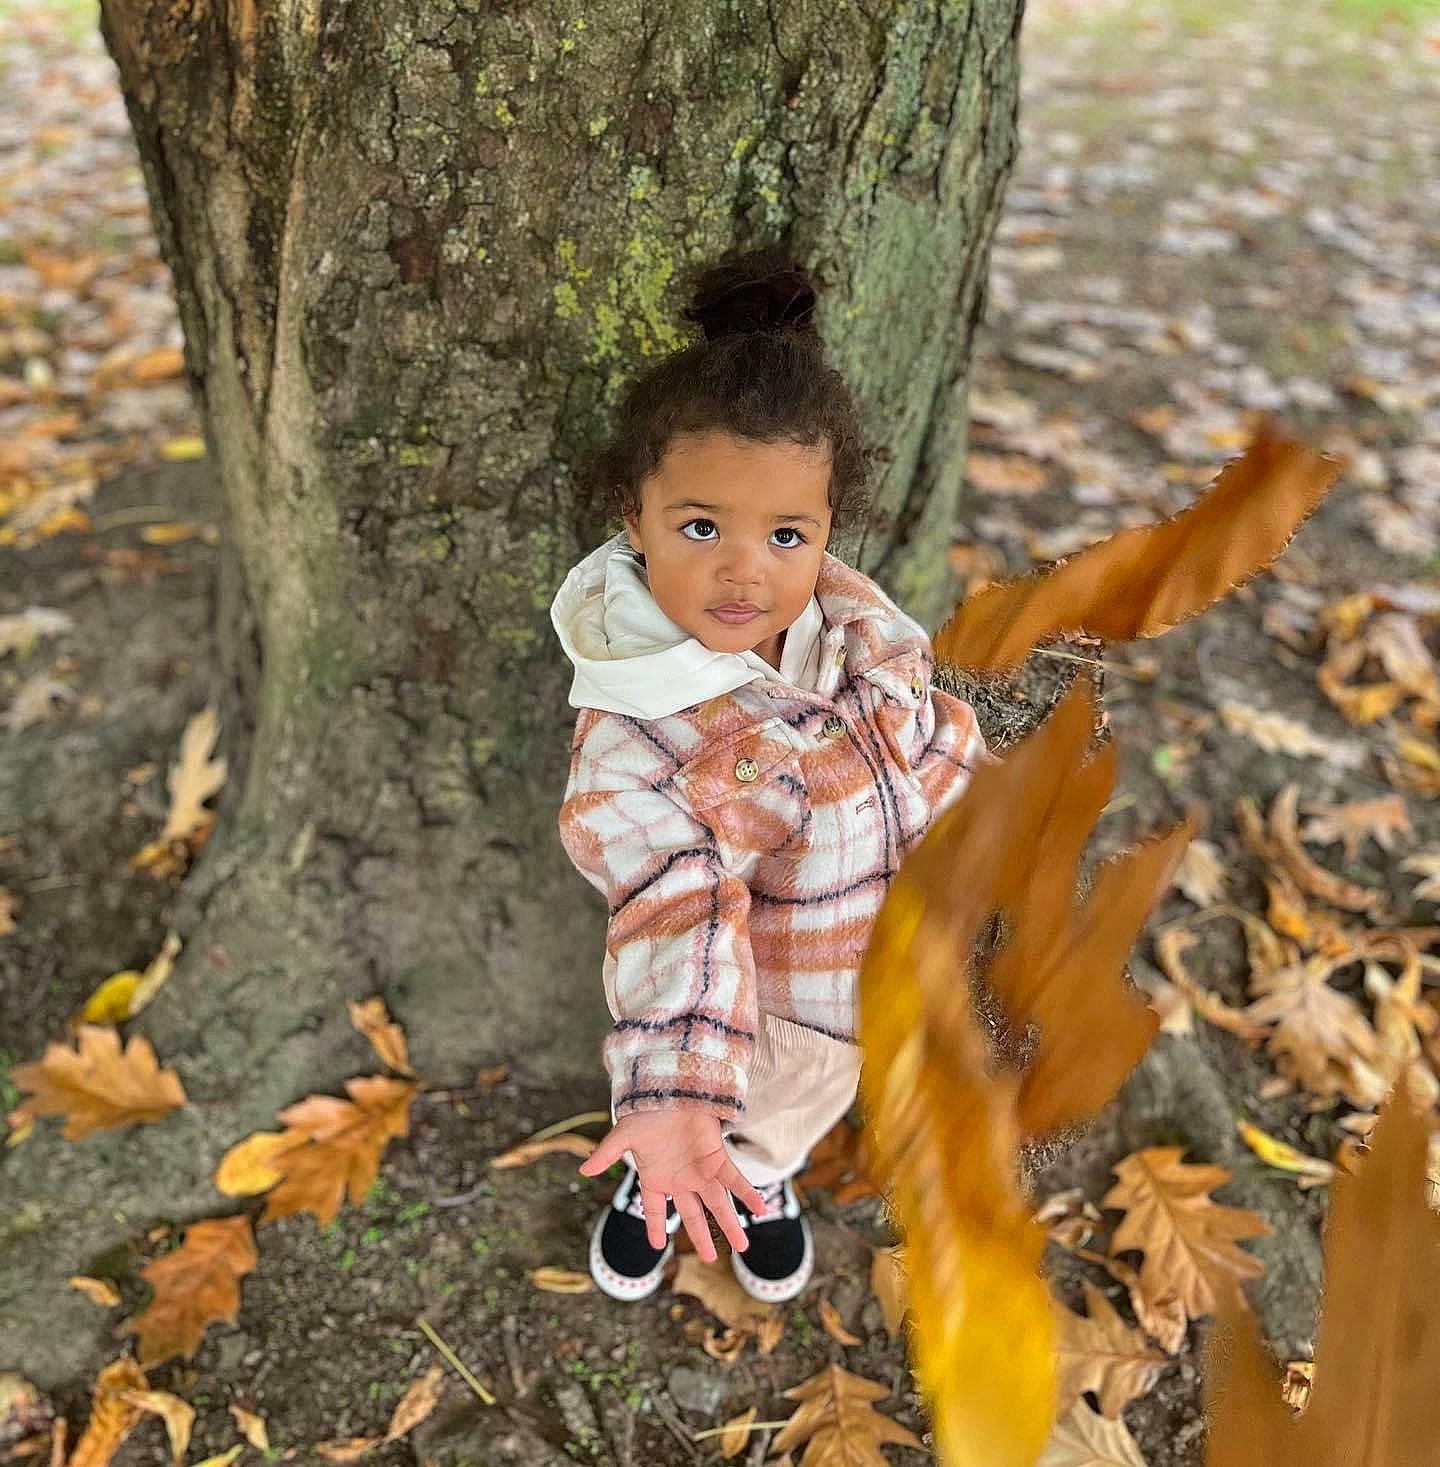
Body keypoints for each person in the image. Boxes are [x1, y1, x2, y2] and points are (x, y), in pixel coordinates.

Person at [550, 242, 990, 1304]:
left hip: (859, 981)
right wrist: (667, 1090)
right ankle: (661, 1179)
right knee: (708, 1120)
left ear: (828, 532)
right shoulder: (639, 728)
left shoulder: (856, 626)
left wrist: (995, 816)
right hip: (744, 998)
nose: (745, 567)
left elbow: (925, 738)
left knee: (788, 1122)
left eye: (786, 533)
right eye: (701, 527)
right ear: (633, 518)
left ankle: (763, 1179)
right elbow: (672, 902)